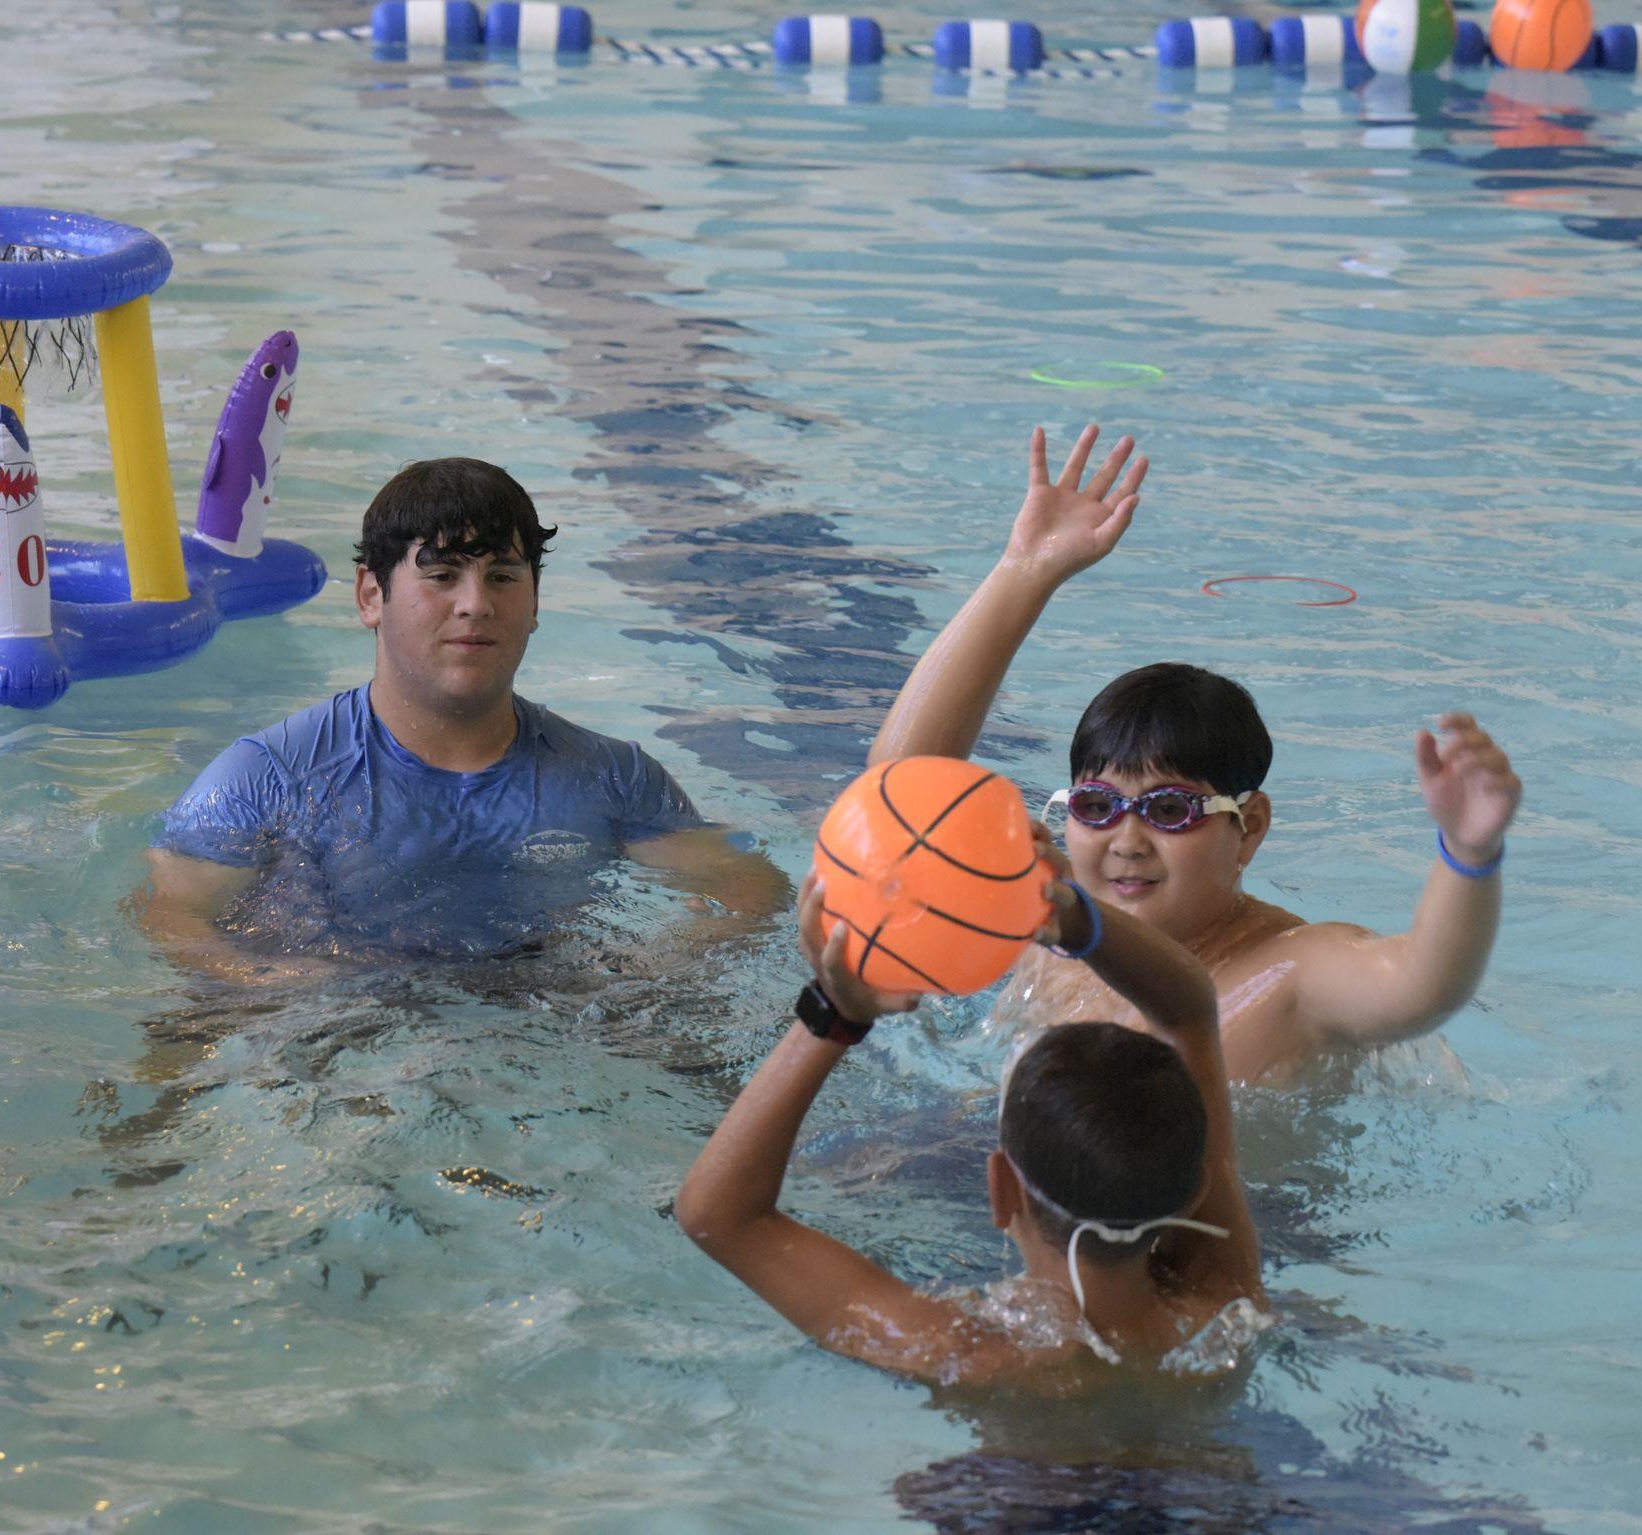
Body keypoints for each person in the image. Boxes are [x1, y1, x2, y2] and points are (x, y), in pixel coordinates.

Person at [868, 425, 1523, 1083]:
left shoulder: (1287, 975)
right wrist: (1024, 571)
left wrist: (1469, 853)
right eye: (1097, 806)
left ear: (1251, 826)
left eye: (1170, 809)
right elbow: (890, 805)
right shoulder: (1049, 916)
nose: (1126, 840)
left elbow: (1421, 985)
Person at [138, 457, 787, 980]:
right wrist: (284, 984)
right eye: (443, 575)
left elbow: (752, 888)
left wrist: (648, 976)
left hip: (542, 1026)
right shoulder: (268, 777)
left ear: (535, 601)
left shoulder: (611, 778)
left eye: (503, 576)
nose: (475, 605)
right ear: (371, 595)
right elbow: (171, 917)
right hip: (332, 1026)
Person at [675, 835, 1262, 1385]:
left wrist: (836, 1009)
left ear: (1000, 1188)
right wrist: (1079, 920)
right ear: (1196, 1191)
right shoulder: (1224, 1302)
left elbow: (716, 1216)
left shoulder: (973, 1355)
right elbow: (1187, 1013)